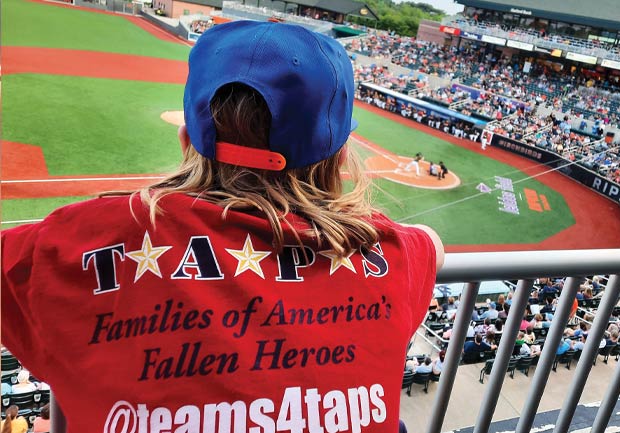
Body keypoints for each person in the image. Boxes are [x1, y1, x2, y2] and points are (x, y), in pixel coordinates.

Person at [1, 21, 445, 432]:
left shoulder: (75, 243)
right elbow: (432, 244)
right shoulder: (392, 253)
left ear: (186, 141)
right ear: (341, 160)